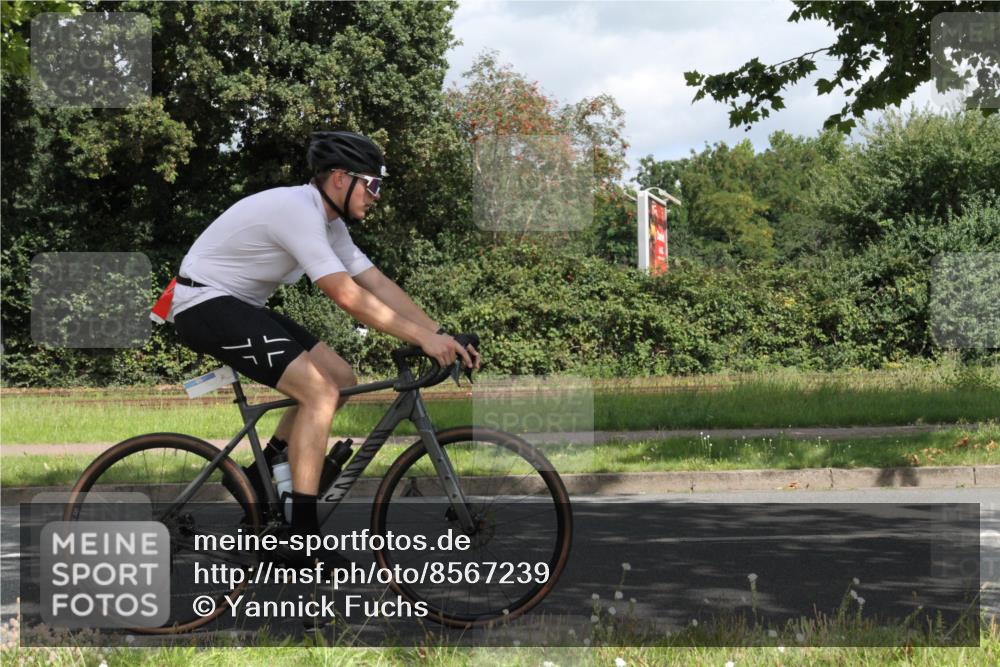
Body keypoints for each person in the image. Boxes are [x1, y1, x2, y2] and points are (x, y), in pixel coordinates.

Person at [167, 130, 479, 568]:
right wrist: (422, 339)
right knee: (319, 393)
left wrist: (441, 333)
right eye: (372, 185)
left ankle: (264, 477)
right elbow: (346, 295)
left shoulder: (329, 224)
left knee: (339, 376)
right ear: (339, 179)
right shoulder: (297, 211)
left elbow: (375, 283)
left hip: (236, 303)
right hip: (203, 303)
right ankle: (301, 538)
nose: (377, 196)